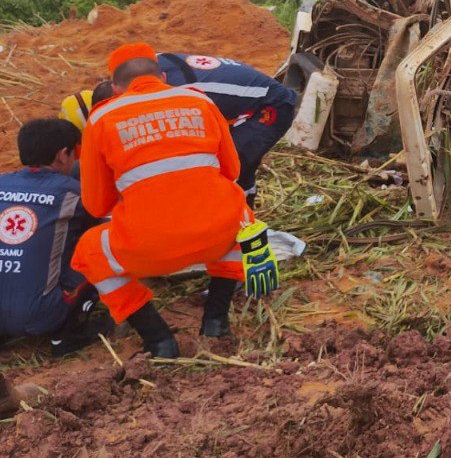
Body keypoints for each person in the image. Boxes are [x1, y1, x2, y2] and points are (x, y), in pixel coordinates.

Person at [70, 42, 251, 358]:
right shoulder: (199, 100)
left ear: (115, 87)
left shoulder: (102, 118)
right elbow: (232, 171)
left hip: (147, 249)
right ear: (163, 77)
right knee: (244, 216)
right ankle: (215, 320)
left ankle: (158, 340)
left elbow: (96, 205)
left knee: (90, 250)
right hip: (216, 237)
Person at [0, 119, 111, 357]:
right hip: (42, 316)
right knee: (97, 241)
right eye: (76, 153)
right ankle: (68, 334)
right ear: (62, 154)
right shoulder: (73, 192)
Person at [156, 53, 297, 202]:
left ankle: (235, 217)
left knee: (225, 170)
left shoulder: (173, 91)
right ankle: (246, 212)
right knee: (238, 169)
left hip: (271, 106)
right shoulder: (148, 63)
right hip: (244, 100)